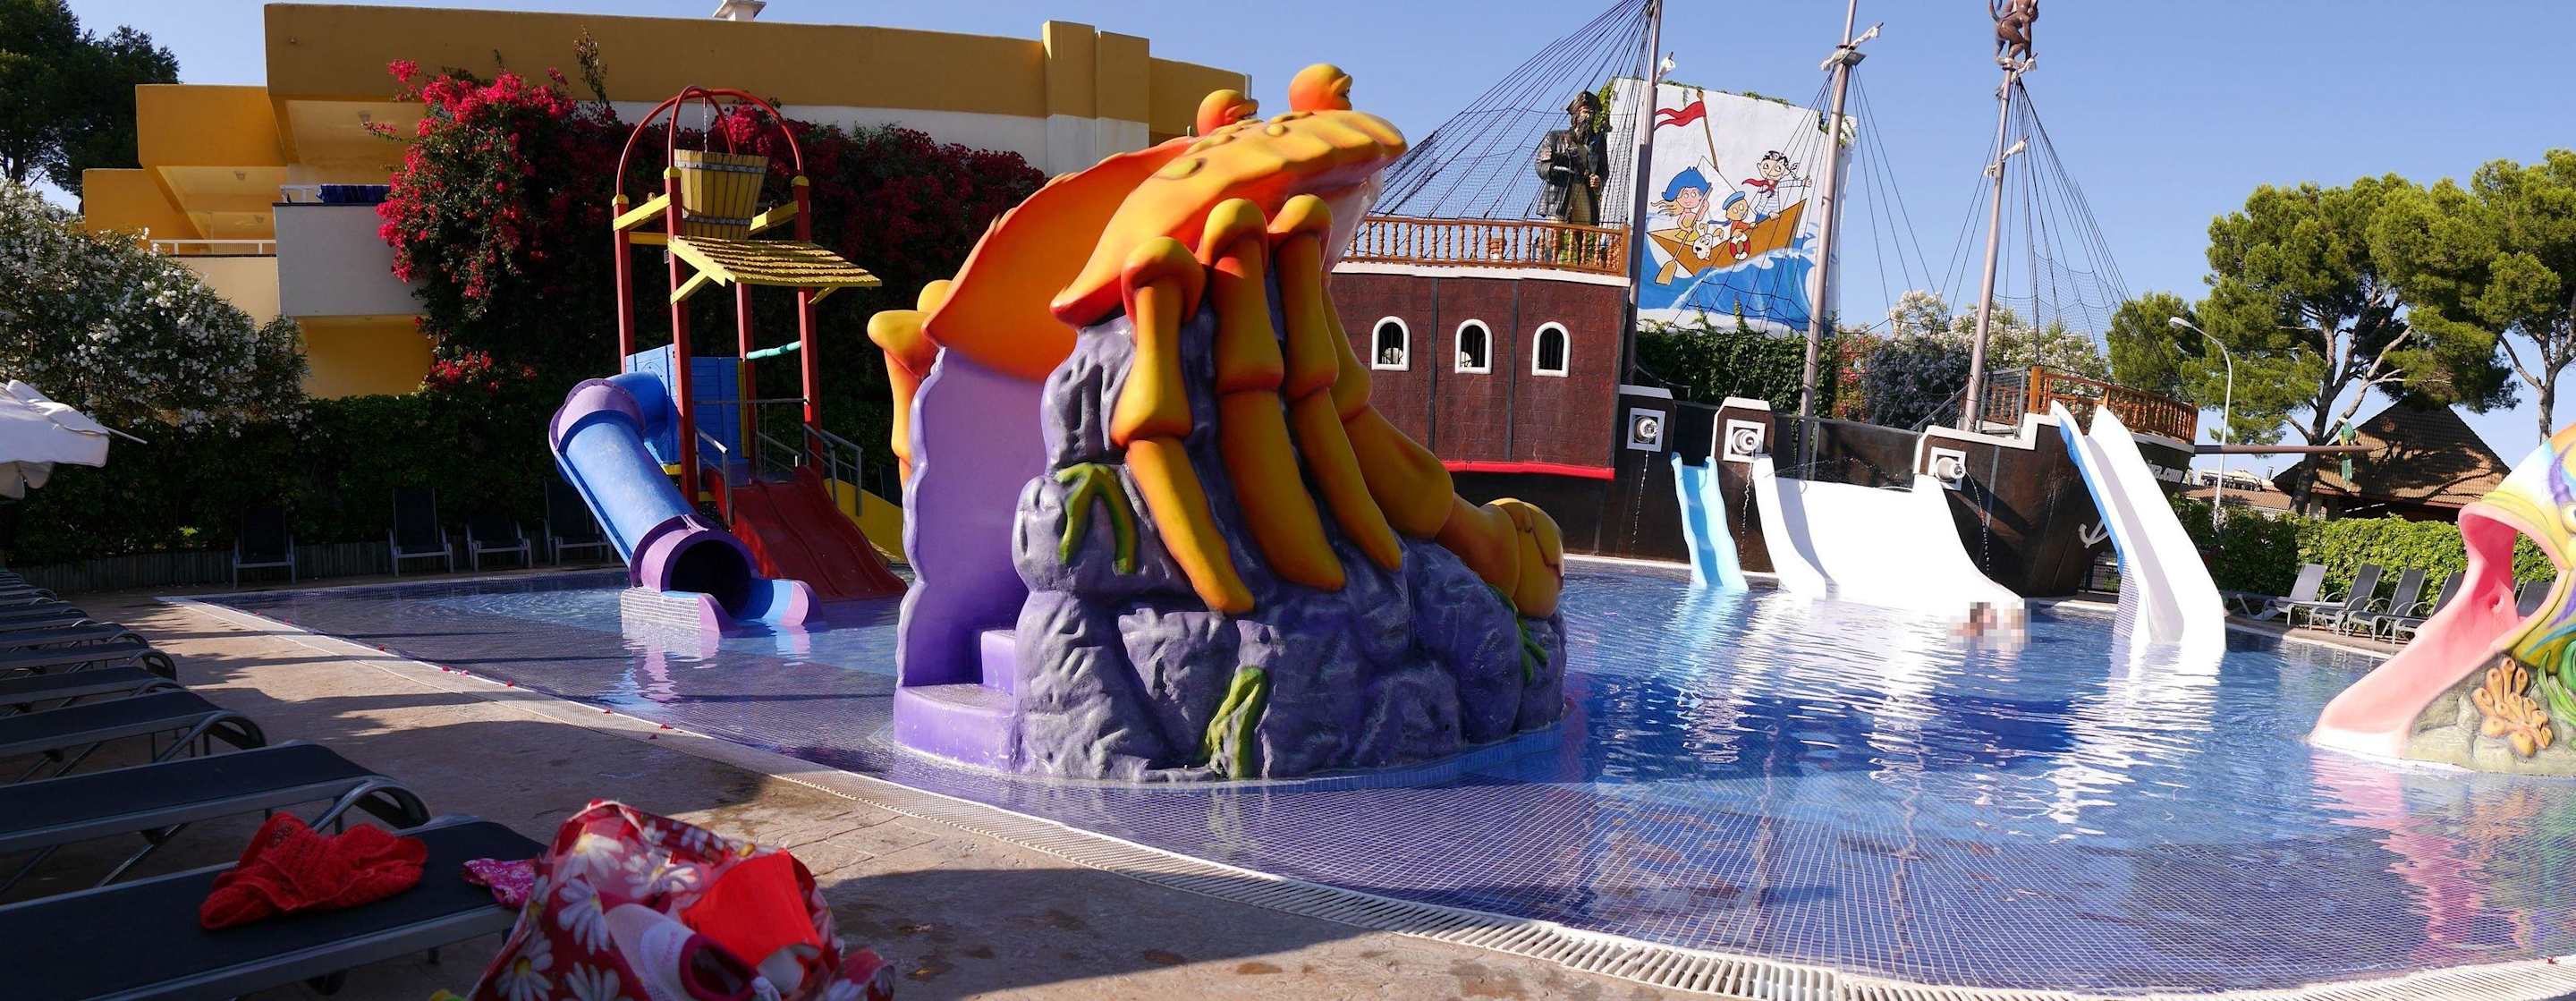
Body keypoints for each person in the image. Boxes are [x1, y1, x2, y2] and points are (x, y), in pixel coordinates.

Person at [1741, 150, 1809, 221]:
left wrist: (1803, 182)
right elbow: (1764, 201)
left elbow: (1789, 183)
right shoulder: (1764, 185)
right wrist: (1769, 212)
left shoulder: (1777, 184)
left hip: (1775, 214)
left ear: (1785, 172)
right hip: (1763, 213)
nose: (1771, 171)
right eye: (1766, 166)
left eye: (1778, 168)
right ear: (1760, 166)